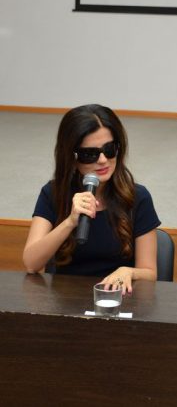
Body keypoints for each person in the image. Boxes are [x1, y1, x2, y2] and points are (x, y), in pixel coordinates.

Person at [23, 104, 160, 295]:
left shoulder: (137, 197)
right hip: (66, 302)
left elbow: (150, 272)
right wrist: (70, 222)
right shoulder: (53, 193)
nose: (103, 160)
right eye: (90, 154)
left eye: (109, 149)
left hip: (117, 300)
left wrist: (128, 271)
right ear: (71, 157)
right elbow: (31, 264)